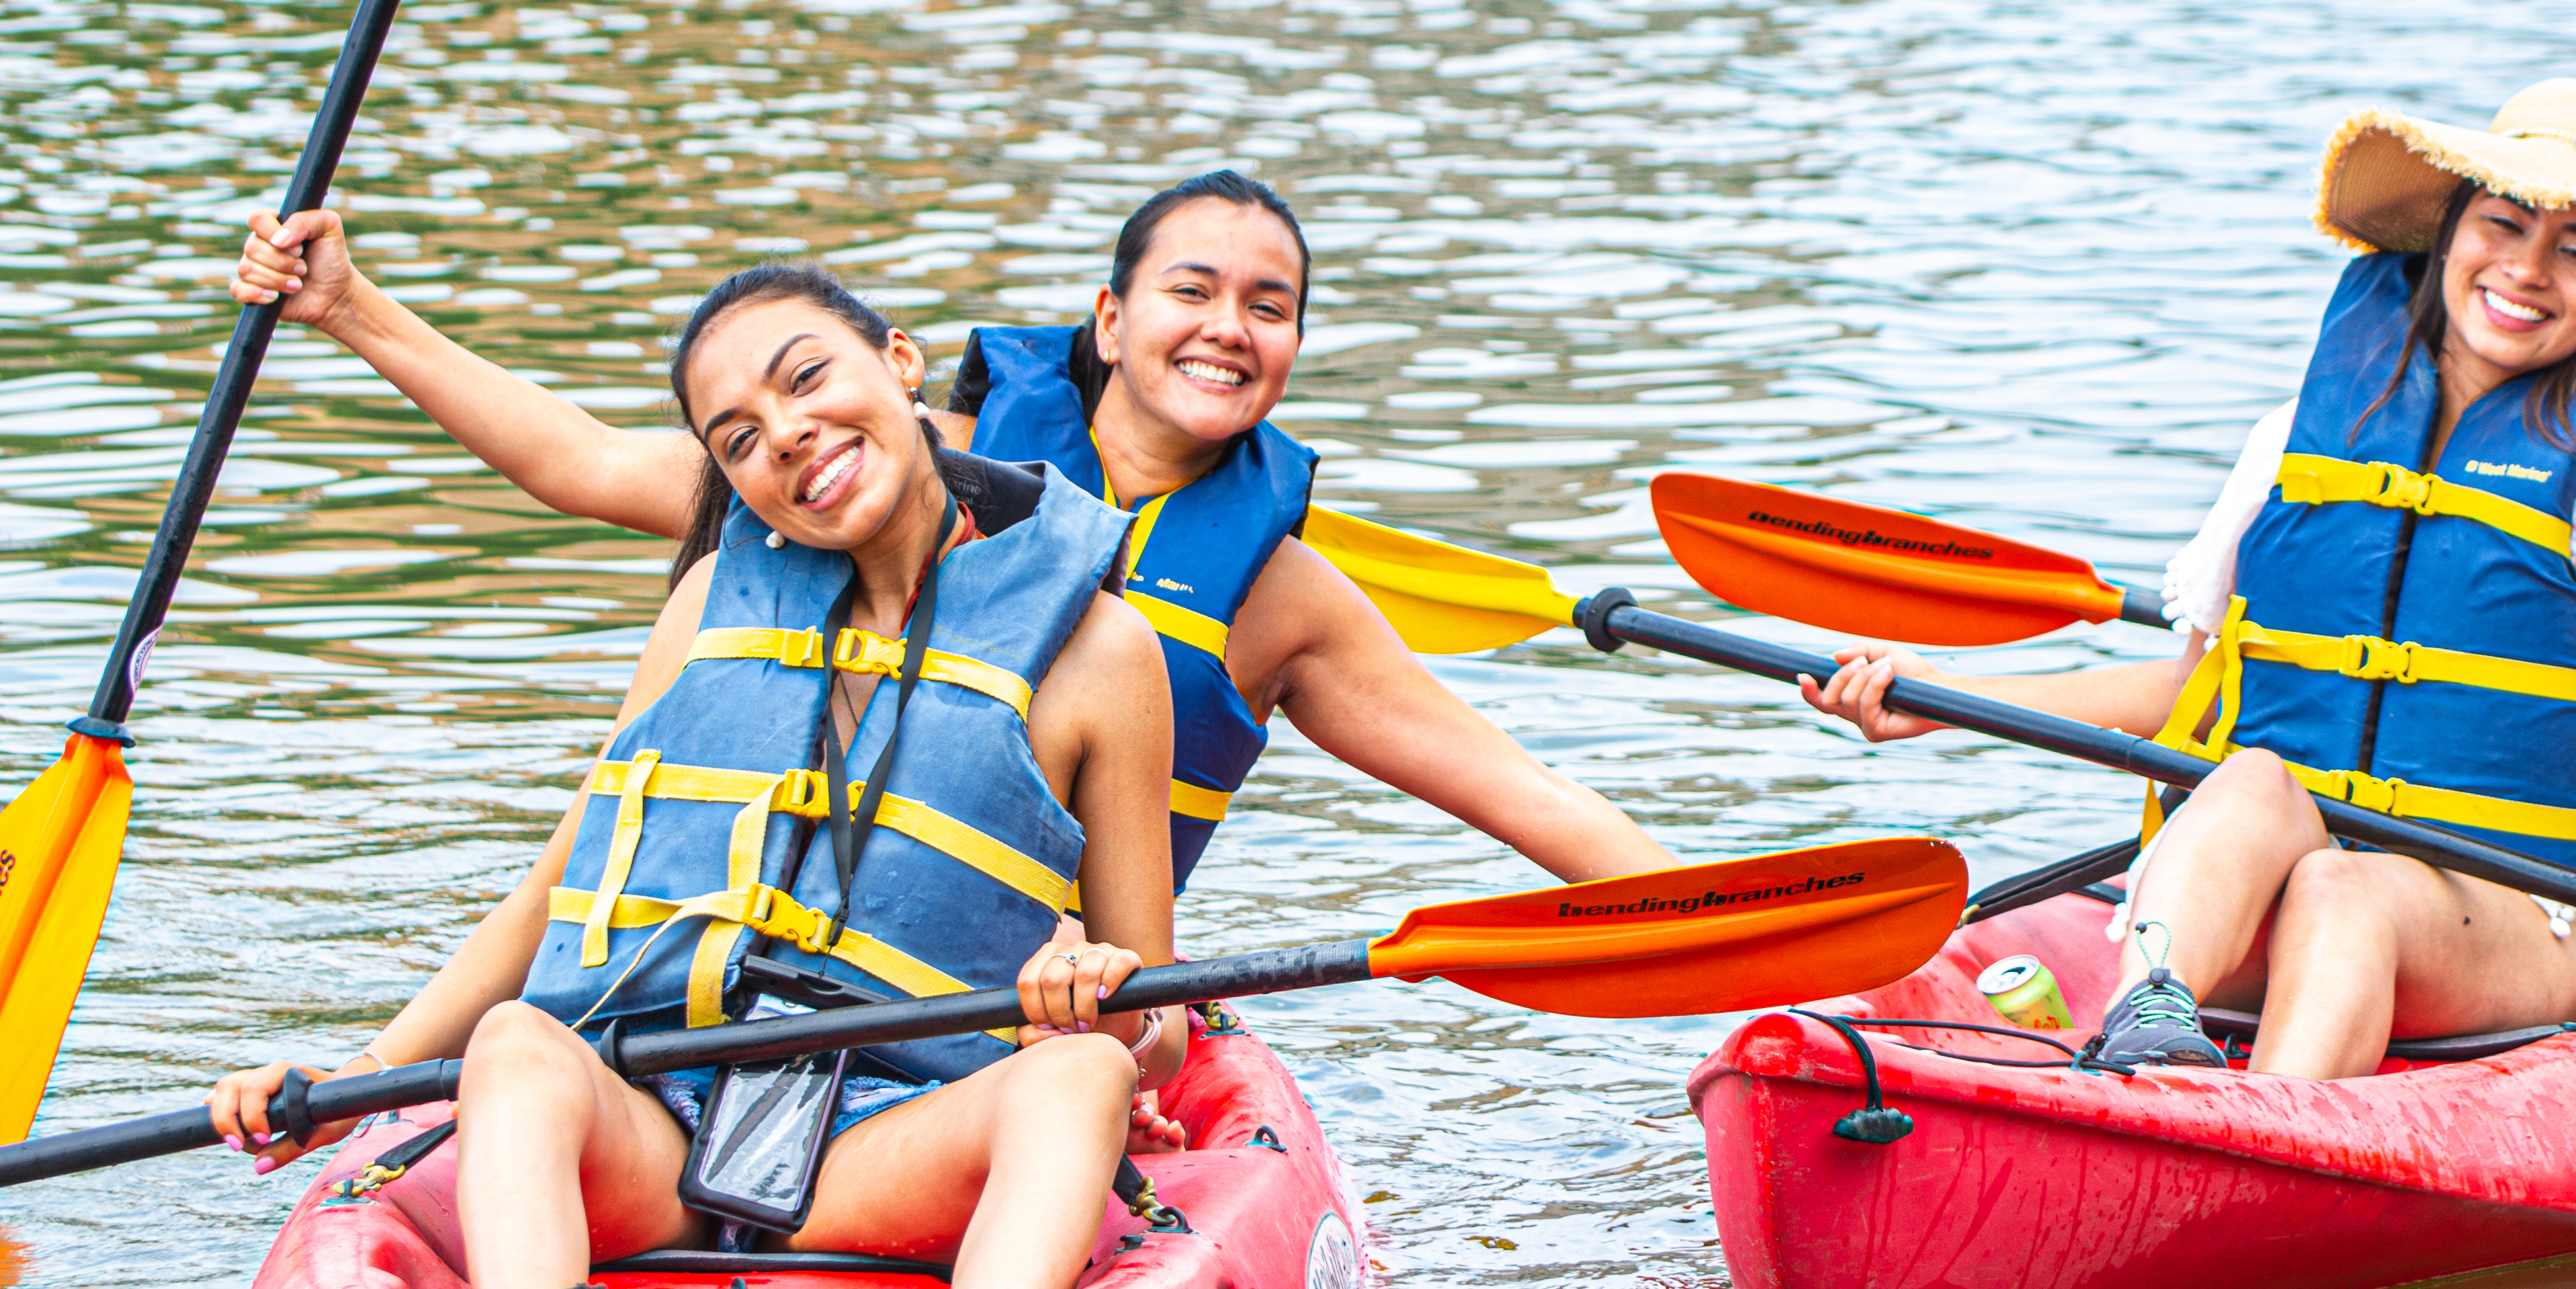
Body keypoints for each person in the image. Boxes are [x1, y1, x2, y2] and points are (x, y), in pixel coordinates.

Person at [1804, 83, 2576, 1079]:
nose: (2526, 269)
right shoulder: (2297, 445)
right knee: (2253, 779)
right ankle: (2146, 1030)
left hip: (2512, 919)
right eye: (2502, 224)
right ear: (2449, 236)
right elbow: (2200, 692)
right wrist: (1936, 699)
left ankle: (2247, 1141)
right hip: (2269, 892)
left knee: (2342, 884)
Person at [224, 169, 1669, 890]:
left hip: (1052, 988)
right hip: (802, 929)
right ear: (1107, 322)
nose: (1226, 328)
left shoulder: (1282, 595)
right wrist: (348, 308)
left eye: (1268, 306)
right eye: (1190, 291)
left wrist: (1809, 951)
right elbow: (586, 462)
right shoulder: (893, 467)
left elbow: (1525, 801)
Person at [208, 263, 1174, 1289]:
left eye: (806, 380)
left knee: (1077, 1079)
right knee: (516, 1047)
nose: (789, 438)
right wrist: (357, 1083)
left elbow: (1159, 1023)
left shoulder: (1102, 654)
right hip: (662, 1116)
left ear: (900, 362)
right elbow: (551, 899)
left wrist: (1101, 994)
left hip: (898, 1137)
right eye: (740, 440)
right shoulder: (714, 600)